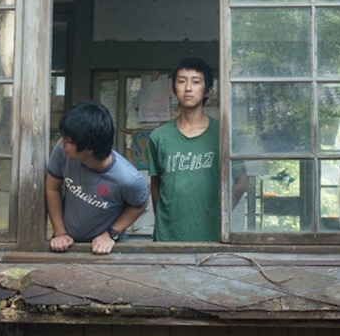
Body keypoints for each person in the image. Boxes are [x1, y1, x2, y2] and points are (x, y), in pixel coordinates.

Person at [146, 57, 245, 242]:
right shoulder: (158, 137)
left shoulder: (224, 135)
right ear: (173, 89)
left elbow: (241, 180)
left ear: (208, 90)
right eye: (182, 81)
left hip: (211, 235)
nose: (188, 88)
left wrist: (220, 210)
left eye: (196, 82)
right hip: (168, 237)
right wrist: (164, 221)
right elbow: (156, 185)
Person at [45, 100, 149, 255]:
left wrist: (111, 234)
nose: (61, 143)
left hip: (106, 249)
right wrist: (60, 233)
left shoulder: (128, 178)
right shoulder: (62, 152)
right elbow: (52, 188)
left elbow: (141, 203)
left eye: (67, 140)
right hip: (67, 244)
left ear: (88, 148)